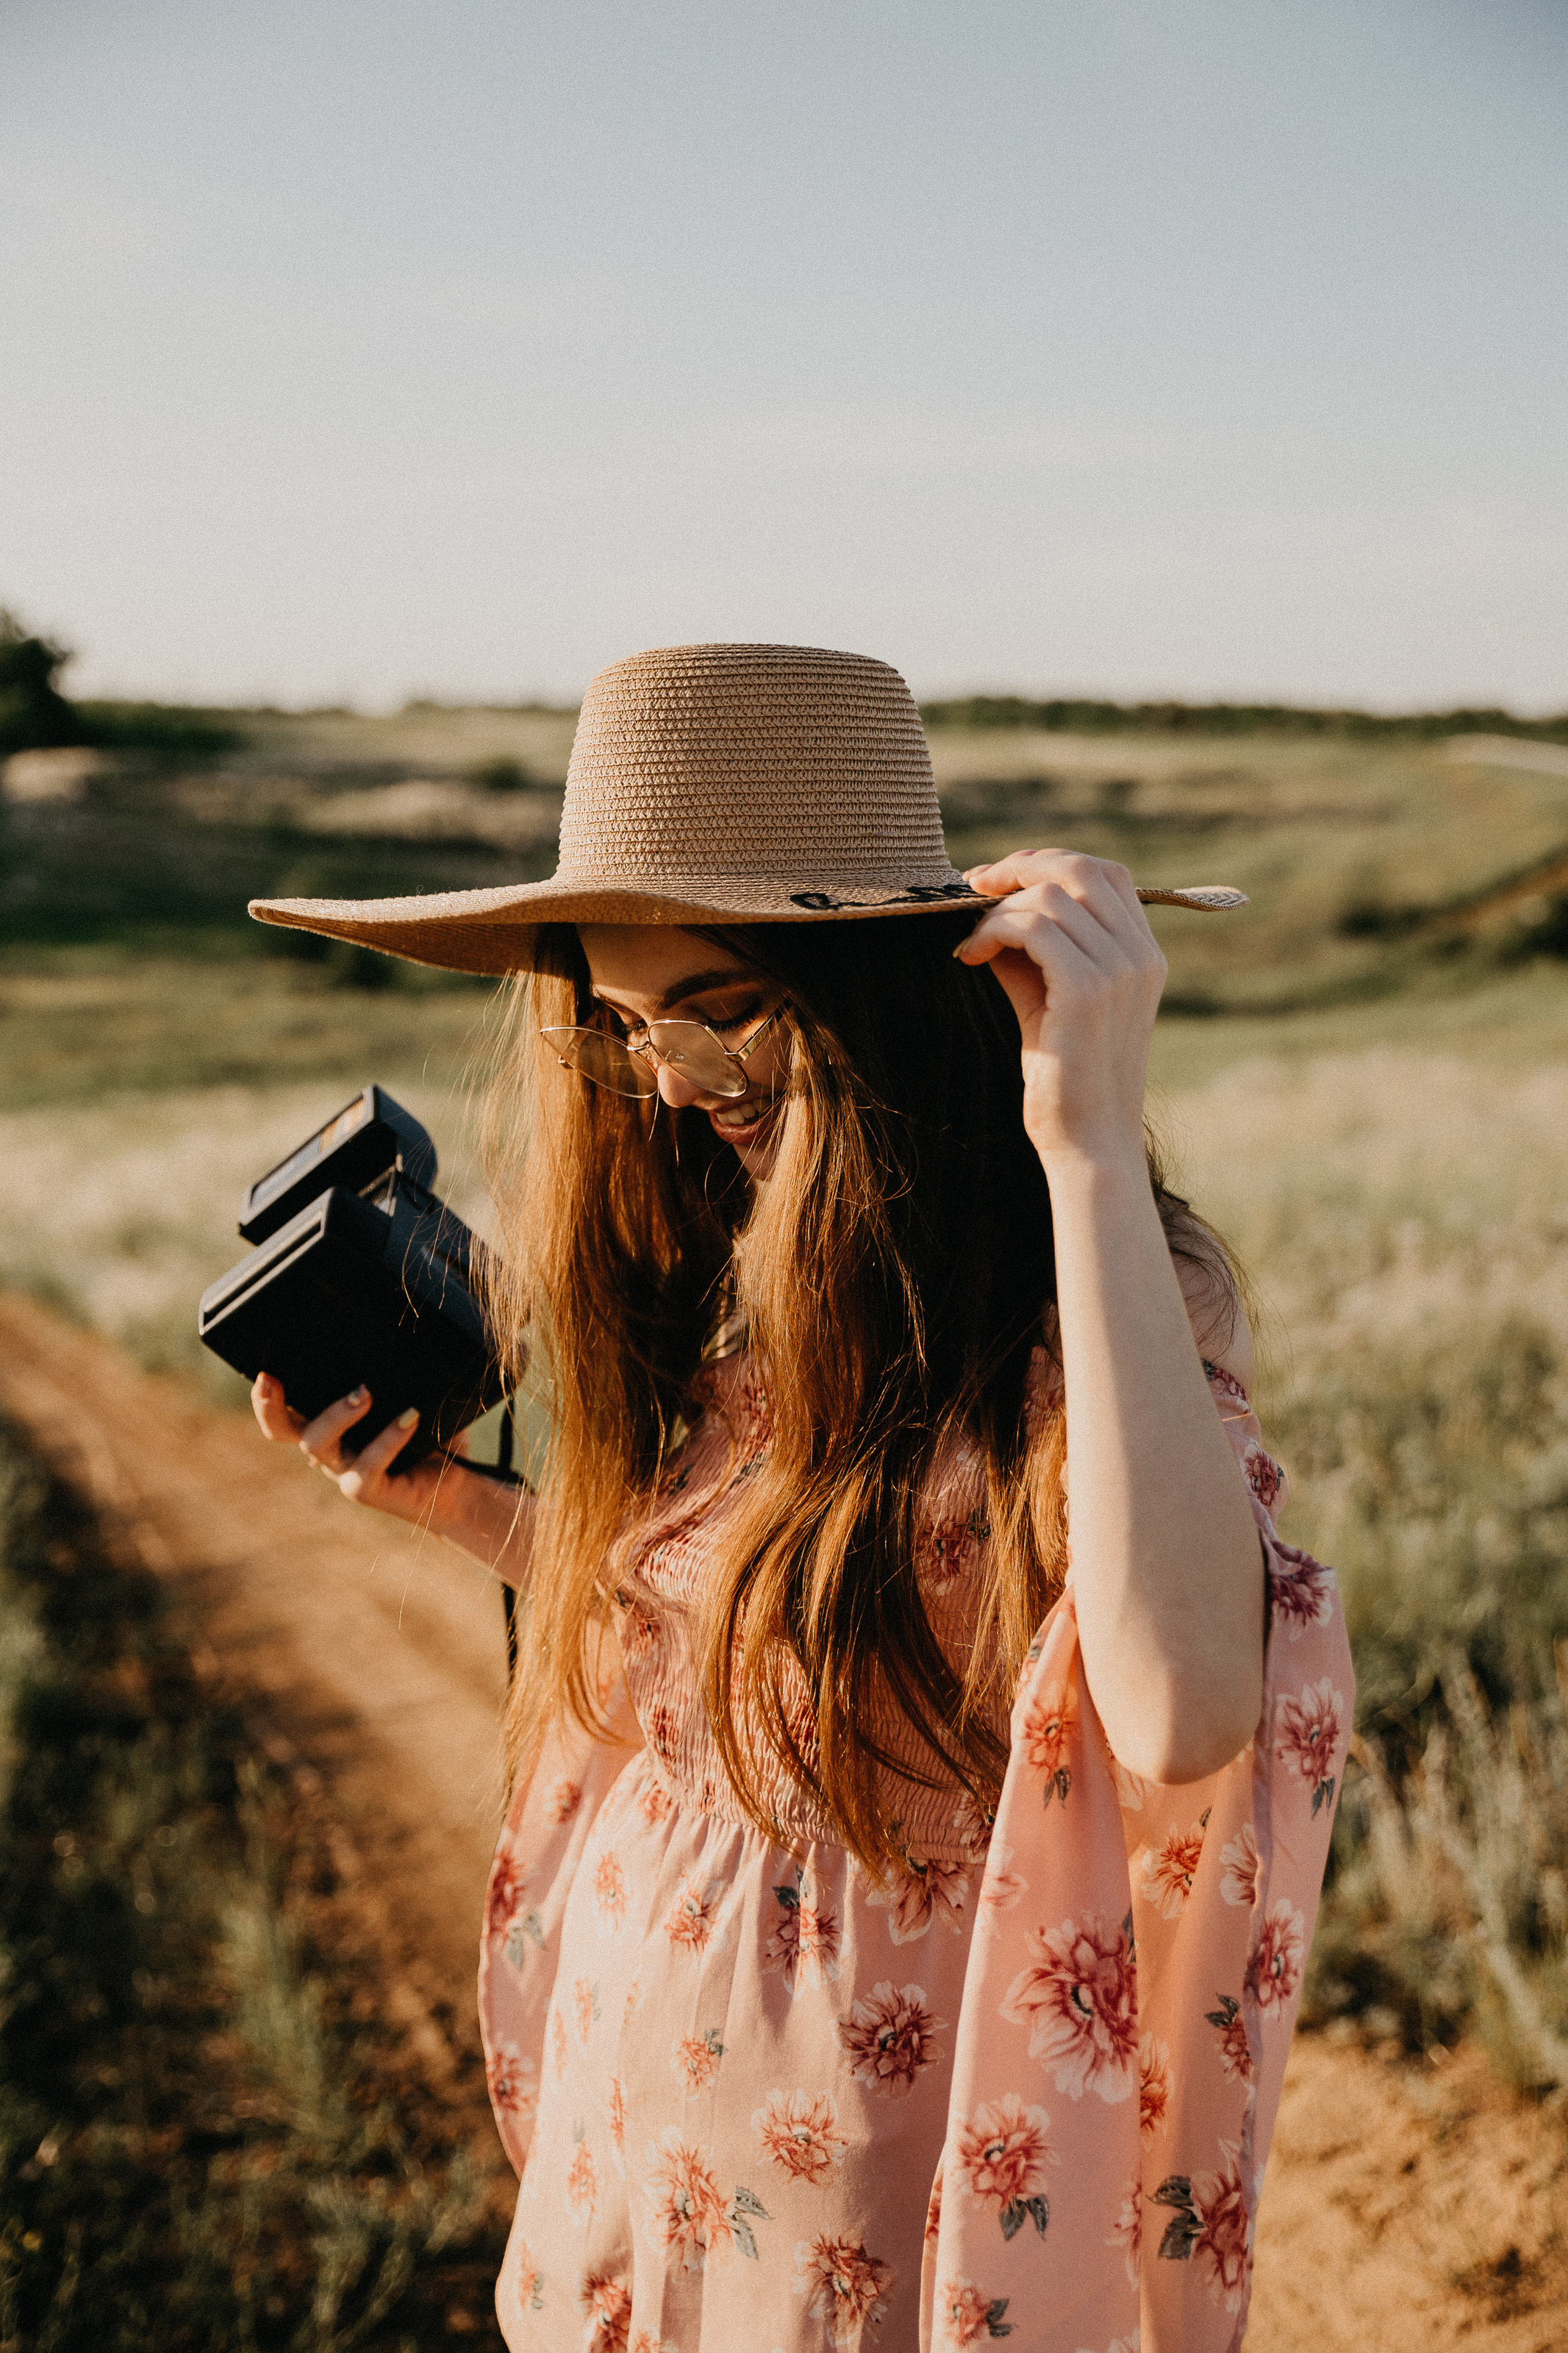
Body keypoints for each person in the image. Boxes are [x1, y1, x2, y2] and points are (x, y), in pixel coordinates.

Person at [248, 643, 1351, 2353]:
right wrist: (474, 1518)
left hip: (876, 2189)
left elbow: (1185, 1695)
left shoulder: (1083, 1291)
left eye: (722, 1006)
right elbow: (756, 1676)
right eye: (622, 1025)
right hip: (645, 2136)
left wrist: (1083, 1136)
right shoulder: (707, 1251)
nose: (673, 1079)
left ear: (890, 986)